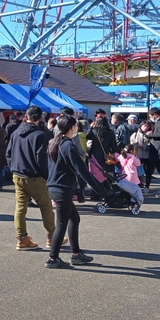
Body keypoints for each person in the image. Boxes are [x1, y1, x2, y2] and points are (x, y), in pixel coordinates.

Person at [45, 115, 107, 269]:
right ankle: (52, 258)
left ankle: (76, 254)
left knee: (75, 219)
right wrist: (101, 189)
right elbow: (82, 170)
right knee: (61, 224)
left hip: (55, 187)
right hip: (62, 189)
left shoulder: (54, 142)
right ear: (72, 127)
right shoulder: (67, 145)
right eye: (76, 125)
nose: (77, 128)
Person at [6, 105, 58, 250]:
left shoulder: (16, 133)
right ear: (40, 118)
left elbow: (8, 153)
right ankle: (51, 237)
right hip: (35, 176)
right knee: (46, 207)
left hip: (18, 175)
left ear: (26, 117)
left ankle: (22, 238)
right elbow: (41, 159)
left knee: (20, 208)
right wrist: (47, 176)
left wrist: (13, 168)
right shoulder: (40, 135)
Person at [131, 121, 151, 190]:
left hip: (147, 156)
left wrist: (145, 146)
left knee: (148, 172)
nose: (146, 128)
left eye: (147, 126)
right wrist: (136, 145)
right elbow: (131, 145)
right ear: (141, 126)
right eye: (144, 126)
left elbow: (151, 145)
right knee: (136, 172)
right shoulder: (135, 134)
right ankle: (138, 185)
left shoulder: (150, 135)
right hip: (137, 156)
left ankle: (147, 186)